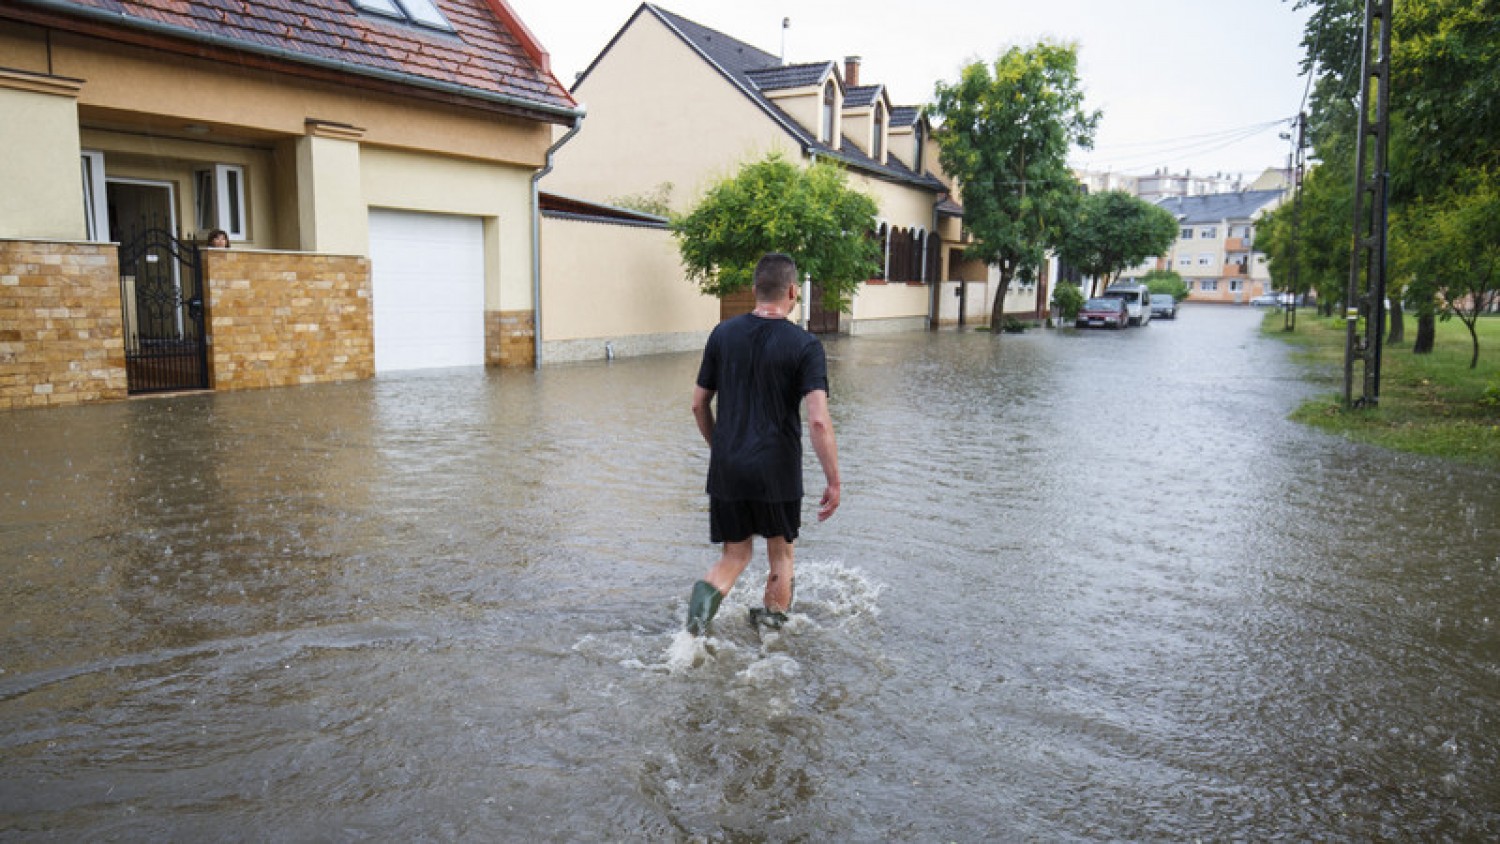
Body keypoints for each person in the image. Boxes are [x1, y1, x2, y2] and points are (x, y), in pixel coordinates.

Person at [685, 253, 841, 635]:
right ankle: (770, 641)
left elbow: (697, 404)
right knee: (781, 557)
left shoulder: (722, 334)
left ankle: (691, 637)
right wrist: (834, 481)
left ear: (755, 289)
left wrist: (720, 448)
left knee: (733, 557)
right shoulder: (805, 346)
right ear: (792, 291)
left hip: (728, 468)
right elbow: (818, 420)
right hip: (777, 471)